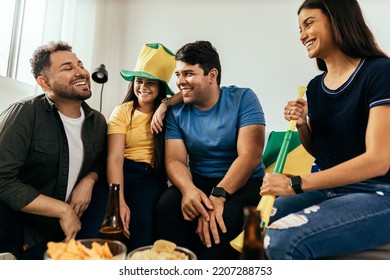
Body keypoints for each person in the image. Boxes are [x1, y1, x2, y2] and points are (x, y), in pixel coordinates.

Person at [260, 0, 390, 260]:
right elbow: (321, 151)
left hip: (376, 191)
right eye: (299, 29)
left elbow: (379, 161)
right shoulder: (315, 87)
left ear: (338, 20)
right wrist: (302, 125)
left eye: (309, 24)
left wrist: (296, 183)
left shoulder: (380, 72)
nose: (302, 35)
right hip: (329, 188)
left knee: (280, 239)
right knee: (258, 223)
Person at [155, 40, 266, 260]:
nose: (180, 82)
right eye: (178, 75)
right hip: (199, 179)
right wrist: (188, 189)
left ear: (212, 75)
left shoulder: (244, 98)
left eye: (188, 74)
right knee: (166, 207)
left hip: (245, 182)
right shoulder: (176, 112)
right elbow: (174, 161)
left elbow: (250, 156)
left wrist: (220, 194)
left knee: (226, 217)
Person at [0, 41, 107, 259]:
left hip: (67, 232)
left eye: (80, 64)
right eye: (68, 68)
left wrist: (89, 180)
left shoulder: (98, 121)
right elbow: (2, 179)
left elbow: (99, 161)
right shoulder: (24, 114)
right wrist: (63, 209)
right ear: (44, 82)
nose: (81, 72)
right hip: (23, 230)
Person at [107, 43, 182, 251]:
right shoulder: (122, 111)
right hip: (119, 174)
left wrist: (165, 105)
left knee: (141, 227)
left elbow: (190, 92)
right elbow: (114, 159)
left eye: (151, 83)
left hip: (149, 178)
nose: (142, 87)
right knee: (102, 224)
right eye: (139, 81)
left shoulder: (169, 112)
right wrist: (118, 201)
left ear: (160, 88)